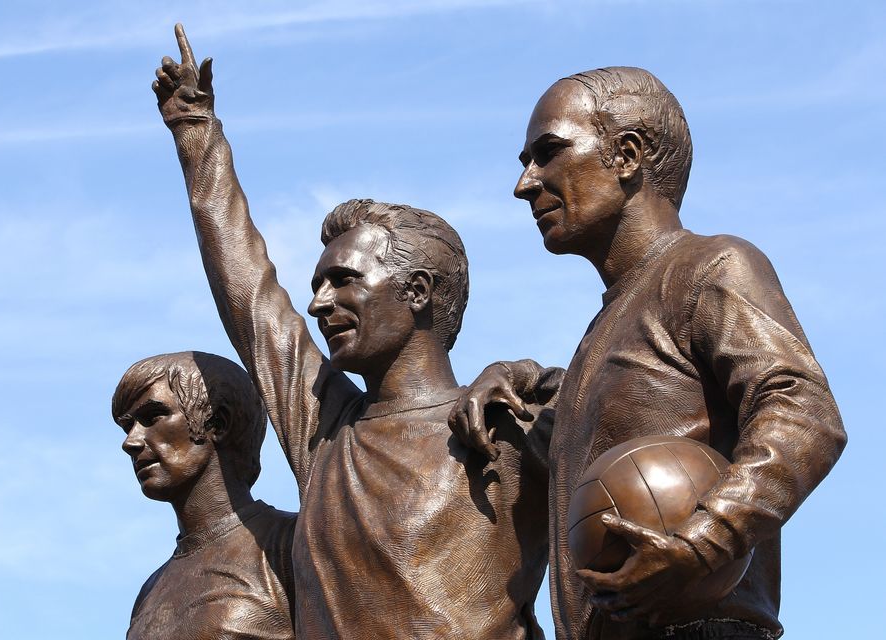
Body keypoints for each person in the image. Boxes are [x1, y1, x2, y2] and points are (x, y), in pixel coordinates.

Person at [152, 25, 551, 640]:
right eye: (317, 284)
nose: (317, 303)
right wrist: (197, 136)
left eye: (342, 280)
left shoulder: (508, 421)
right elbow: (250, 297)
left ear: (416, 293)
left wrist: (535, 379)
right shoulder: (324, 430)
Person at [449, 67, 846, 640]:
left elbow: (804, 410)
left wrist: (706, 538)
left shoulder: (713, 265)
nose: (525, 183)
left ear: (628, 155)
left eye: (549, 152)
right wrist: (518, 378)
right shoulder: (604, 330)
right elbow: (632, 400)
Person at [112, 351, 297, 640]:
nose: (130, 441)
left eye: (152, 417)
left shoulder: (291, 546)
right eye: (127, 426)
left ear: (218, 423)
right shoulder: (151, 590)